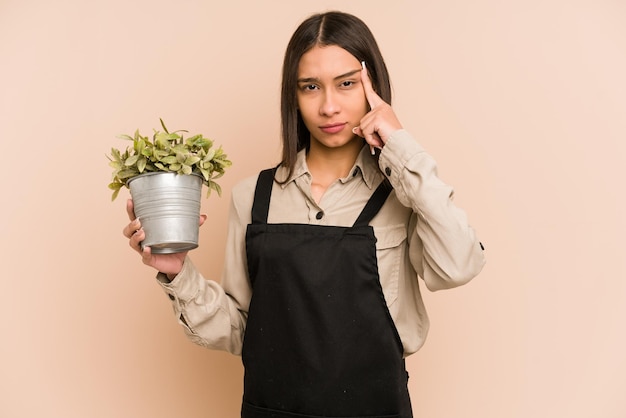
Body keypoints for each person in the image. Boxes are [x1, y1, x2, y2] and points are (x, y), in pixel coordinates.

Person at [123, 10, 485, 418]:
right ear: (292, 96)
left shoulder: (403, 193)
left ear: (374, 87)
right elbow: (241, 330)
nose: (329, 106)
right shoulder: (253, 197)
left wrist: (401, 147)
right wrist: (177, 272)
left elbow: (459, 266)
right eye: (311, 87)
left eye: (346, 84)